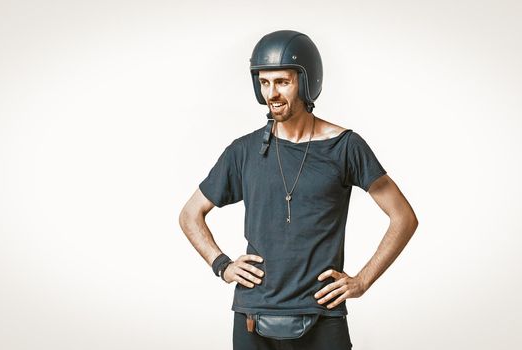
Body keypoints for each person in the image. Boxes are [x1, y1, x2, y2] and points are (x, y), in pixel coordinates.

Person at [179, 30, 418, 350]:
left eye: (282, 82)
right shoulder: (244, 151)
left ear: (306, 83)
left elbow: (403, 217)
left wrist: (362, 280)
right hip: (254, 316)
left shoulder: (345, 147)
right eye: (264, 83)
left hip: (322, 315)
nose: (272, 93)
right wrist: (222, 264)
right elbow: (190, 214)